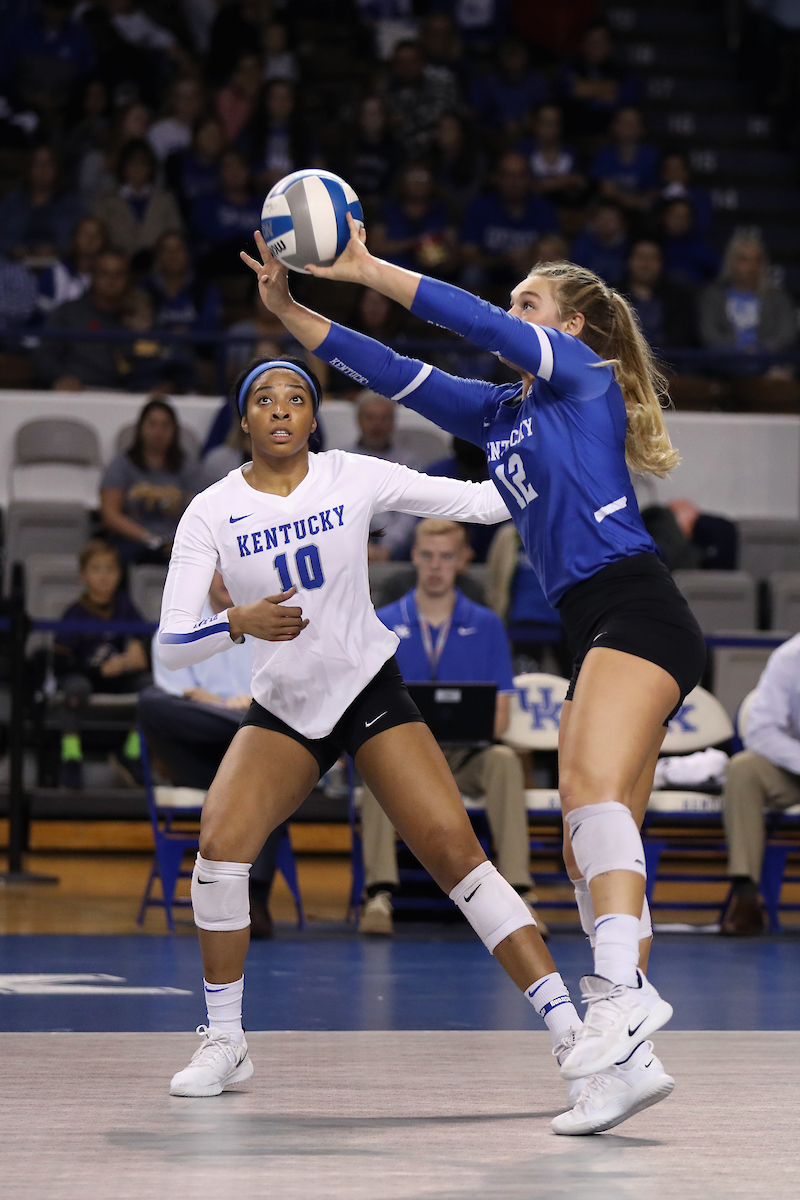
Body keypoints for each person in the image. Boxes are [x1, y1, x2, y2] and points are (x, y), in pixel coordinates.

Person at [265, 215, 702, 1134]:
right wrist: (295, 311)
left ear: (569, 327)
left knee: (583, 791)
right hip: (596, 621)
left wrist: (366, 267)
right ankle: (626, 1064)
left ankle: (619, 1001)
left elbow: (476, 325)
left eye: (529, 303)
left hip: (635, 603)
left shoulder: (582, 376)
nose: (513, 313)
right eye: (515, 301)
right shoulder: (502, 414)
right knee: (597, 848)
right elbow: (392, 373)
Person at [159, 342, 585, 1117]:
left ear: (315, 414)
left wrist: (547, 450)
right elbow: (171, 641)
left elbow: (482, 504)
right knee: (219, 848)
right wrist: (236, 621)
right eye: (265, 399)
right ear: (243, 417)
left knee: (459, 855)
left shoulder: (352, 474)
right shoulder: (211, 509)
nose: (281, 409)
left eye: (296, 397)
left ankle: (571, 1031)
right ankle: (226, 1040)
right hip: (285, 707)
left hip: (366, 688)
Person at [359, 519, 538, 936]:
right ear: (414, 558)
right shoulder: (382, 621)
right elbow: (362, 705)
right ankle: (379, 896)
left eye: (446, 557)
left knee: (505, 761)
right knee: (374, 766)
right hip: (406, 760)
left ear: (463, 561)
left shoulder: (488, 624)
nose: (435, 566)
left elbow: (502, 716)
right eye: (426, 556)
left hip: (465, 757)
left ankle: (521, 896)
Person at [142, 569, 284, 938]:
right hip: (198, 751)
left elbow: (283, 686)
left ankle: (254, 898)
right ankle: (244, 723)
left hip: (254, 750)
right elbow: (177, 692)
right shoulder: (179, 621)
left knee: (264, 770)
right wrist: (232, 710)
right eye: (216, 567)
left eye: (232, 564)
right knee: (151, 704)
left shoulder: (269, 616)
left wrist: (251, 705)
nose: (224, 576)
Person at [720, 633, 800, 935]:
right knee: (743, 770)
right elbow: (761, 731)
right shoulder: (790, 657)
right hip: (794, 768)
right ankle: (746, 897)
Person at [54, 539, 149, 789]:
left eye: (110, 569)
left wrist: (139, 651)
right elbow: (60, 665)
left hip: (121, 678)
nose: (104, 577)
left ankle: (131, 752)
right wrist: (99, 671)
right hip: (84, 679)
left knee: (151, 688)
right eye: (96, 569)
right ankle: (71, 756)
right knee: (73, 688)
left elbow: (146, 639)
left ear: (119, 573)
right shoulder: (73, 613)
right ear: (83, 574)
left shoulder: (126, 606)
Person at [100, 396, 199, 565]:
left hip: (177, 544)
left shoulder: (188, 467)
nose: (158, 431)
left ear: (174, 431)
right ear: (140, 429)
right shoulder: (121, 465)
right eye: (152, 424)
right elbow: (110, 515)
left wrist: (175, 541)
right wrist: (149, 539)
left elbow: (199, 513)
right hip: (132, 541)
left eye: (165, 425)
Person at [460, 152, 558, 298]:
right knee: (472, 274)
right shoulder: (480, 207)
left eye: (520, 176)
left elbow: (556, 254)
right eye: (508, 175)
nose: (514, 182)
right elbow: (467, 254)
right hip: (489, 272)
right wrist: (501, 261)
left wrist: (530, 258)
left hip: (528, 273)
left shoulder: (543, 209)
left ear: (529, 179)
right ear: (497, 178)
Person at [34, 248, 130, 390]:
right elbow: (44, 356)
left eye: (119, 274)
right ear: (93, 276)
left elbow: (148, 360)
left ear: (128, 278)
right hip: (74, 395)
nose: (112, 280)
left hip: (126, 397)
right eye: (105, 273)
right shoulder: (68, 313)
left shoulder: (138, 316)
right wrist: (59, 377)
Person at [347, 391, 426, 562]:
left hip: (397, 551)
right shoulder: (340, 460)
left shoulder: (410, 463)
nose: (377, 425)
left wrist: (388, 548)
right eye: (370, 418)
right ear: (358, 420)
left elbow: (410, 513)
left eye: (384, 418)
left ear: (393, 423)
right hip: (347, 547)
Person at [698, 231, 796, 359]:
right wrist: (737, 351)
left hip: (767, 363)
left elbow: (787, 334)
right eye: (743, 260)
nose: (751, 267)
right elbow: (708, 333)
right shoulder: (713, 295)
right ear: (731, 262)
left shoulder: (778, 297)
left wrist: (760, 351)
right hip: (723, 363)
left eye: (757, 260)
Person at [91, 137, 183, 267]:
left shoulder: (166, 199)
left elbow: (176, 234)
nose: (137, 168)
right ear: (122, 166)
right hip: (116, 267)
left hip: (158, 267)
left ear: (151, 167)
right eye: (132, 163)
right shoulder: (105, 200)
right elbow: (97, 237)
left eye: (143, 163)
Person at [371, 162, 457, 279]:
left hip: (433, 277)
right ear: (402, 183)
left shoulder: (442, 211)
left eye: (423, 178)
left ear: (432, 183)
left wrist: (440, 258)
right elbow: (376, 247)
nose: (418, 184)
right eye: (412, 178)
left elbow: (454, 252)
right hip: (391, 275)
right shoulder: (387, 210)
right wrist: (414, 243)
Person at [0, 144, 83, 260]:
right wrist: (11, 248)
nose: (42, 170)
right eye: (37, 164)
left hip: (57, 263)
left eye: (48, 164)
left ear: (57, 169)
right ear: (28, 169)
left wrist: (56, 248)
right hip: (13, 262)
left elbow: (78, 238)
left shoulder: (71, 203)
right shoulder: (12, 200)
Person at [621, 239, 697, 350]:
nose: (646, 264)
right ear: (629, 261)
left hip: (670, 361)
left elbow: (683, 338)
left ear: (661, 263)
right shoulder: (614, 296)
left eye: (652, 258)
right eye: (640, 257)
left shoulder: (679, 298)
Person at [36, 214, 108, 316]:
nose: (91, 239)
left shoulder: (112, 277)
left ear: (105, 241)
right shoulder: (56, 272)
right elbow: (40, 314)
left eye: (97, 234)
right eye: (85, 234)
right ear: (75, 238)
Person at [590, 107, 659, 214]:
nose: (628, 127)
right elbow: (606, 191)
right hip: (612, 211)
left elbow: (654, 192)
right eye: (624, 122)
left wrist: (638, 204)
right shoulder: (604, 154)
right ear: (614, 127)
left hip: (643, 213)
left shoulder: (652, 155)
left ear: (641, 128)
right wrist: (630, 203)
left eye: (633, 123)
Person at [659, 199, 718, 289]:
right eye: (675, 216)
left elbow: (721, 271)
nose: (679, 221)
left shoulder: (700, 248)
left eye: (684, 217)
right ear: (664, 217)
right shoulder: (653, 245)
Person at [570, 201, 629, 286]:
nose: (606, 223)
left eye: (611, 219)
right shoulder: (581, 244)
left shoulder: (629, 246)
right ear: (594, 221)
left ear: (622, 223)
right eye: (602, 218)